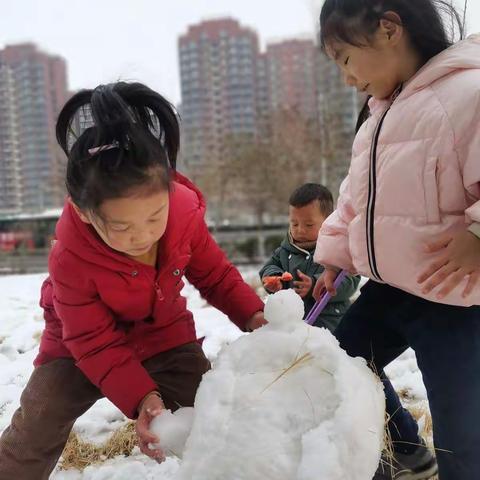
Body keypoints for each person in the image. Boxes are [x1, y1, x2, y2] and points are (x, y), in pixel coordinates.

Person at [0, 82, 266, 480]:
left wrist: (255, 316)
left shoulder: (183, 215)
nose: (142, 235)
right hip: (77, 347)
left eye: (154, 216)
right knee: (38, 420)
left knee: (216, 413)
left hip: (164, 332)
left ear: (170, 190)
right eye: (122, 226)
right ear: (85, 212)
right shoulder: (70, 257)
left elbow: (216, 276)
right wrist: (144, 397)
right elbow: (93, 341)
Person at [314, 1, 480, 479]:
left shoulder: (467, 94)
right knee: (339, 365)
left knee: (462, 430)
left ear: (389, 28)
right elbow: (354, 202)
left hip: (454, 301)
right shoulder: (379, 117)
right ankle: (401, 450)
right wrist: (334, 257)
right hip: (391, 289)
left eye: (345, 59)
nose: (346, 77)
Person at [259, 183, 359, 331]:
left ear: (328, 221)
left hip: (329, 324)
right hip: (292, 325)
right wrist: (274, 278)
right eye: (294, 224)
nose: (300, 230)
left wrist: (315, 284)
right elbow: (268, 268)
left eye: (309, 225)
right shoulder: (285, 251)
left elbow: (350, 281)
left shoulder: (336, 250)